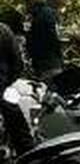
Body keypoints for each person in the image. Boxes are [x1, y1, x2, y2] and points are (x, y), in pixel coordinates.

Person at [0, 23, 35, 155]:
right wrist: (6, 83)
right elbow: (17, 63)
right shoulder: (3, 30)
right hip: (2, 87)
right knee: (20, 132)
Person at [28, 0, 72, 80]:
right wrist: (72, 37)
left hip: (41, 63)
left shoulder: (42, 11)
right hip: (50, 64)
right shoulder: (48, 13)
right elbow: (55, 38)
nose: (67, 0)